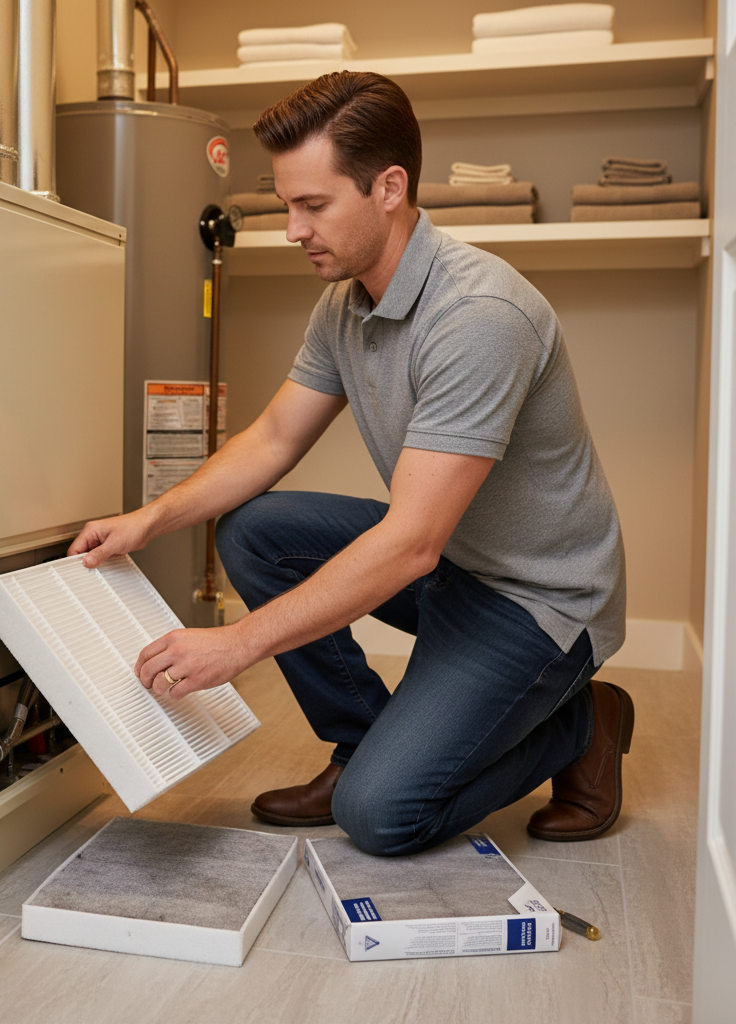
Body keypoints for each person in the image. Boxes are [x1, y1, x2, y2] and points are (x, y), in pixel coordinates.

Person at [67, 70, 632, 856]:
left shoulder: (478, 318)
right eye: (287, 203)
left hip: (537, 601)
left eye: (313, 205)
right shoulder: (345, 302)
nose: (292, 228)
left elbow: (409, 544)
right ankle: (361, 743)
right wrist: (148, 519)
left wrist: (237, 644)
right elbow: (270, 442)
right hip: (454, 563)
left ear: (389, 187)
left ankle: (580, 722)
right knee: (258, 529)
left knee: (382, 818)